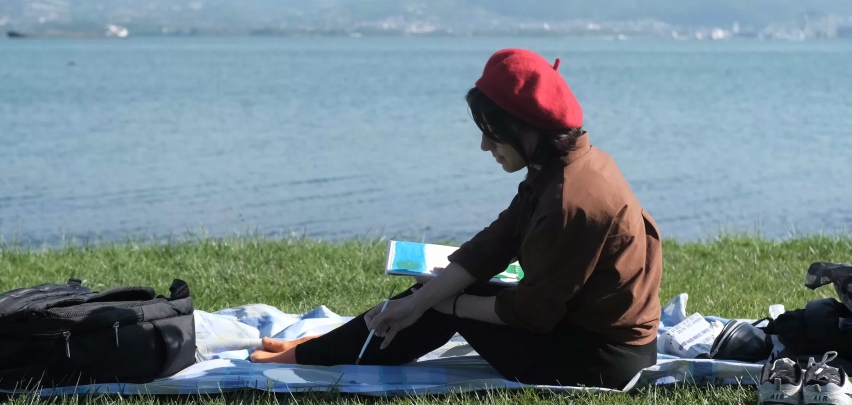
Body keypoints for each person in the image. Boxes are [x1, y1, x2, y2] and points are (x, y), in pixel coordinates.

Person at [250, 48, 662, 389]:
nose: (484, 146)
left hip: (595, 364)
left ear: (526, 128)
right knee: (433, 294)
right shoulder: (563, 168)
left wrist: (446, 303)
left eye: (492, 132)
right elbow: (495, 243)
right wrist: (423, 297)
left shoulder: (571, 198)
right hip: (584, 338)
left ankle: (317, 355)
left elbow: (532, 313)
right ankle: (334, 344)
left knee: (444, 304)